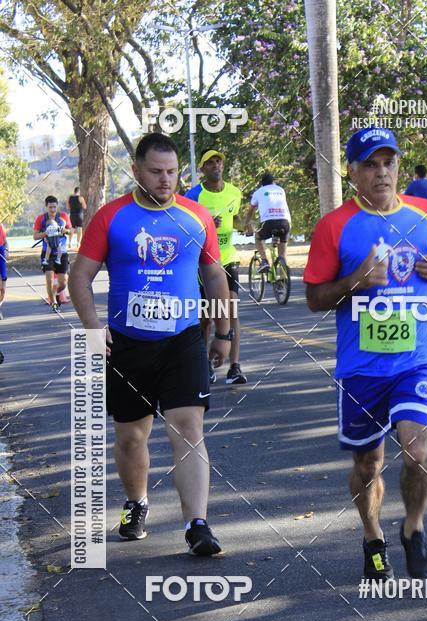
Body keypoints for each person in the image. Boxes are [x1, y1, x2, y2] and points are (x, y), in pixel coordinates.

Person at [68, 133, 231, 556]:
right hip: (127, 345)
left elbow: (214, 276)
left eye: (172, 172)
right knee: (130, 438)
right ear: (137, 170)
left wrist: (223, 332)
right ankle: (137, 502)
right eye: (156, 172)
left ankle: (198, 525)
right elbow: (79, 277)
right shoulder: (111, 217)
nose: (165, 180)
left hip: (182, 341)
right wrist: (92, 327)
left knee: (188, 428)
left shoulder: (196, 217)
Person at [304, 127, 427, 581]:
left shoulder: (425, 213)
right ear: (352, 172)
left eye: (388, 162)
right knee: (367, 463)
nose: (382, 172)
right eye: (370, 164)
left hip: (415, 359)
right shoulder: (334, 226)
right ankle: (372, 537)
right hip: (361, 368)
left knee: (417, 449)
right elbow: (313, 298)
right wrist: (356, 280)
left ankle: (414, 529)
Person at [185, 150, 246, 385]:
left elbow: (236, 218)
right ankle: (205, 365)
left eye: (218, 161)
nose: (215, 166)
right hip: (203, 262)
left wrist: (245, 225)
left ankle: (235, 367)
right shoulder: (193, 196)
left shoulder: (234, 193)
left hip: (228, 258)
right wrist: (207, 225)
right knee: (206, 317)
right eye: (210, 163)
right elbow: (186, 230)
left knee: (231, 310)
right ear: (202, 169)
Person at [244, 173, 291, 272]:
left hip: (269, 222)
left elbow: (251, 210)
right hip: (285, 222)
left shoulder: (258, 192)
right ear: (273, 182)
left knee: (258, 237)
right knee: (282, 254)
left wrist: (246, 224)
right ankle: (283, 277)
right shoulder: (280, 190)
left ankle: (264, 261)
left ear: (262, 183)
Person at [33, 197, 72, 310]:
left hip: (62, 252)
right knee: (49, 279)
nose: (53, 209)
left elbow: (70, 231)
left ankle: (56, 293)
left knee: (63, 283)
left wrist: (65, 231)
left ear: (57, 206)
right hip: (47, 253)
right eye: (50, 207)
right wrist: (45, 233)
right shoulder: (41, 218)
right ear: (46, 207)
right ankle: (53, 302)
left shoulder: (63, 216)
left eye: (54, 207)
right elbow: (35, 236)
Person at [0, 222, 8, 317]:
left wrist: (7, 251)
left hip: (1, 257)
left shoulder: (1, 226)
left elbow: (5, 241)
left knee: (3, 289)